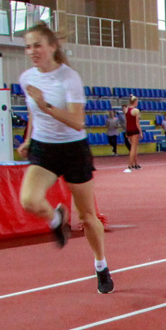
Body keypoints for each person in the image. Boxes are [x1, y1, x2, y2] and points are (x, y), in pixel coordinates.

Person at [15, 23, 113, 293]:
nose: (32, 51)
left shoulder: (69, 78)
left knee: (88, 217)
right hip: (44, 148)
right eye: (27, 47)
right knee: (29, 200)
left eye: (37, 45)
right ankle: (56, 219)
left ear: (52, 47)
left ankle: (101, 265)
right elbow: (33, 112)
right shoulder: (26, 78)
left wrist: (46, 104)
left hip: (73, 150)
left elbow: (77, 122)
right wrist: (29, 138)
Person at [121, 96, 141, 170]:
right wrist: (140, 131)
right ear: (135, 102)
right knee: (133, 148)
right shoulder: (136, 111)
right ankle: (130, 164)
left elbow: (126, 122)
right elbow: (137, 123)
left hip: (129, 129)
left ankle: (136, 164)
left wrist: (126, 131)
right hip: (134, 129)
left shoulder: (126, 110)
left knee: (133, 147)